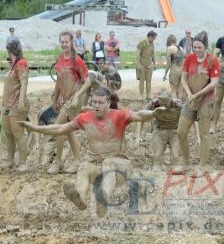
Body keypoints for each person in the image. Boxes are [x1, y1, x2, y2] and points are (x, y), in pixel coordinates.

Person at [18, 87, 167, 217]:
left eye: (100, 102)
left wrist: (153, 113)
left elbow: (140, 115)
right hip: (98, 167)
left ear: (108, 103)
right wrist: (34, 128)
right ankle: (80, 198)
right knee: (83, 166)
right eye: (94, 102)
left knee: (109, 163)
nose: (96, 105)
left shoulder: (119, 115)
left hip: (121, 167)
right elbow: (59, 128)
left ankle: (103, 199)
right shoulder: (84, 118)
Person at [49, 31, 95, 175]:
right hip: (65, 100)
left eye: (66, 42)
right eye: (62, 42)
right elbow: (59, 82)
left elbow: (88, 81)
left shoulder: (77, 60)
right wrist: (55, 99)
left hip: (74, 100)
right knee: (69, 132)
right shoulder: (60, 59)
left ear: (72, 43)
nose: (64, 44)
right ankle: (78, 163)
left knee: (58, 128)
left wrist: (77, 97)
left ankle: (58, 163)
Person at [177, 31, 220, 170]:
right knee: (181, 132)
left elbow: (213, 83)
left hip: (206, 100)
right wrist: (190, 93)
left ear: (206, 46)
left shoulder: (213, 60)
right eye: (194, 47)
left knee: (204, 135)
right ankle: (186, 164)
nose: (196, 50)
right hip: (190, 99)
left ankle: (202, 167)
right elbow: (183, 78)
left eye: (199, 47)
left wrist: (197, 95)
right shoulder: (189, 58)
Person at [0, 40, 30, 171]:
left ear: (11, 50)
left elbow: (24, 82)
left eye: (8, 50)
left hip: (16, 104)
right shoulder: (13, 64)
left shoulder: (21, 63)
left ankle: (23, 162)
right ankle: (10, 160)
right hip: (7, 105)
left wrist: (22, 101)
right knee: (8, 133)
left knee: (18, 133)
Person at [136, 90, 181, 171]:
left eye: (166, 103)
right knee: (157, 156)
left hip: (175, 132)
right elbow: (141, 117)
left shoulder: (178, 105)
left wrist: (198, 136)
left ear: (170, 99)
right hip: (159, 132)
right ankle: (157, 174)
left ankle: (175, 173)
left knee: (175, 155)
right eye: (161, 102)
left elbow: (191, 118)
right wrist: (138, 136)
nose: (163, 105)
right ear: (158, 100)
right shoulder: (153, 104)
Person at [136, 30, 157, 100]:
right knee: (141, 81)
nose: (155, 39)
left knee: (149, 81)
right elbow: (137, 54)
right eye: (154, 38)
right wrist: (139, 65)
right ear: (150, 37)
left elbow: (153, 53)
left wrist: (154, 63)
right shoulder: (142, 43)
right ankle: (141, 96)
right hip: (142, 65)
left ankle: (148, 96)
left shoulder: (152, 43)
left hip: (149, 65)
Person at [164, 34, 185, 99]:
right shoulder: (181, 48)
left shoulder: (169, 49)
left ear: (169, 41)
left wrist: (165, 74)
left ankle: (175, 107)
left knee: (173, 91)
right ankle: (180, 107)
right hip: (182, 70)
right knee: (180, 91)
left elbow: (168, 63)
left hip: (174, 70)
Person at [211, 35, 224, 133]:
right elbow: (215, 55)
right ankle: (213, 126)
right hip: (222, 73)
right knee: (217, 100)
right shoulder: (221, 39)